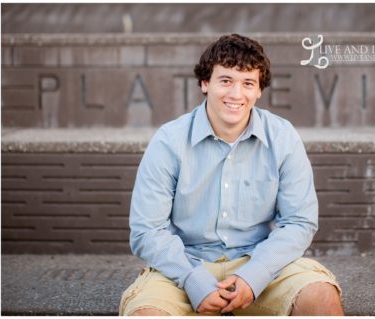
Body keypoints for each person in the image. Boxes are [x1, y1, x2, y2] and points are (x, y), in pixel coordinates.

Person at [119, 33, 344, 316]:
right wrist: (192, 279)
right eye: (225, 81)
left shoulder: (282, 137)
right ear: (205, 83)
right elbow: (147, 230)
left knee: (321, 297)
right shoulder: (169, 141)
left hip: (259, 260)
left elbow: (299, 221)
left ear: (259, 90)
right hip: (184, 264)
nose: (236, 94)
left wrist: (255, 274)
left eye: (248, 83)